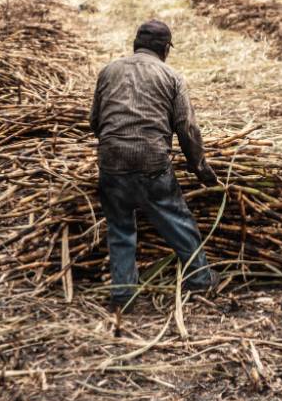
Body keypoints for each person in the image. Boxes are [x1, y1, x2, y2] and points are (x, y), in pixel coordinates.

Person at [89, 20, 220, 313]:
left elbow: (95, 123)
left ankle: (123, 294)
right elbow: (186, 129)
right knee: (177, 219)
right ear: (164, 49)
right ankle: (200, 278)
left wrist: (117, 147)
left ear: (136, 44)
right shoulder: (171, 76)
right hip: (151, 163)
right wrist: (200, 168)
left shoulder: (109, 71)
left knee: (120, 228)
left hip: (111, 164)